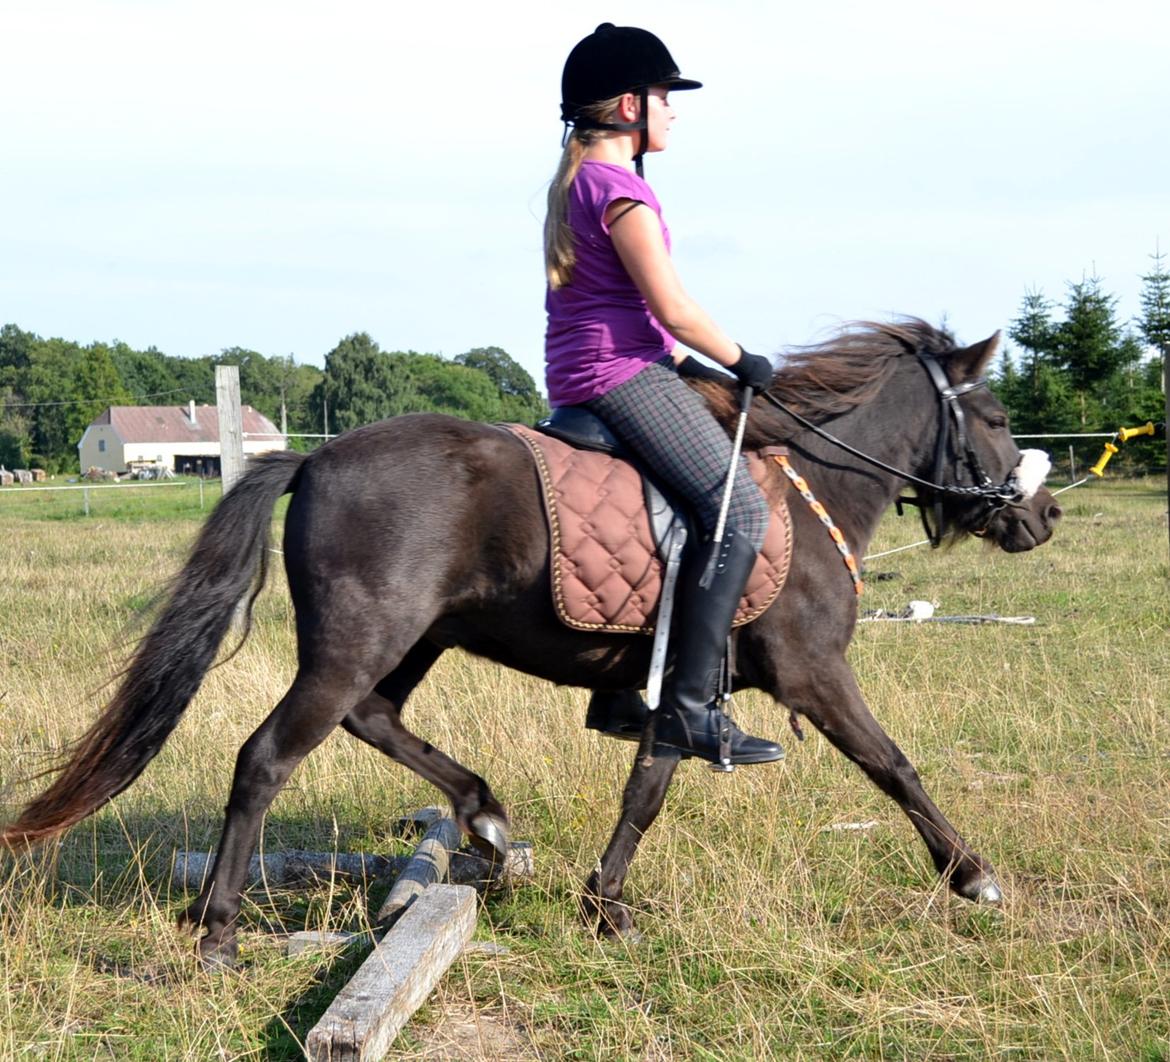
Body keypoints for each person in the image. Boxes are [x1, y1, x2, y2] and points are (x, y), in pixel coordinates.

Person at [544, 23, 782, 768]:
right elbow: (672, 306)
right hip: (618, 373)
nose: (673, 111)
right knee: (740, 510)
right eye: (663, 97)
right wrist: (745, 360)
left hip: (590, 371)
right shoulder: (622, 192)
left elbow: (640, 314)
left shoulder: (581, 181)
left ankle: (619, 689)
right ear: (626, 107)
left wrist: (683, 361)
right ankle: (687, 710)